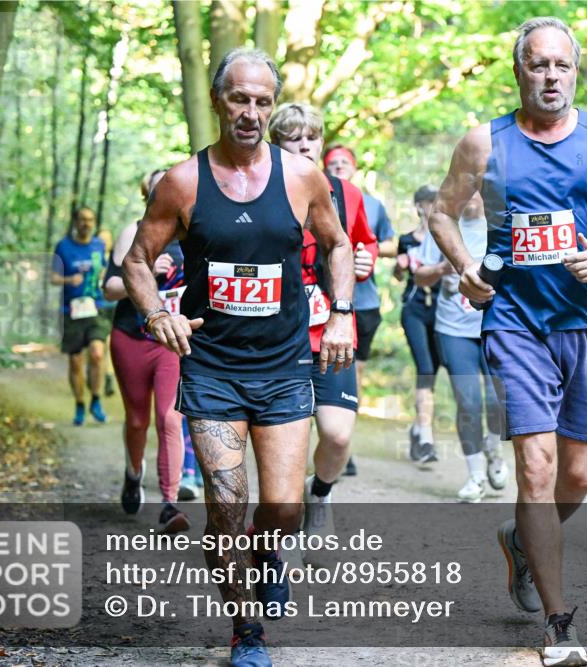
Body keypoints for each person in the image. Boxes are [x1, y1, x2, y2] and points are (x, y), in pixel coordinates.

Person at [428, 17, 587, 666]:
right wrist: (465, 268)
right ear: (518, 71)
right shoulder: (484, 142)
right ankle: (560, 628)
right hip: (516, 322)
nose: (550, 76)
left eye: (561, 65)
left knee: (579, 473)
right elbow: (443, 210)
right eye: (538, 65)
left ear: (575, 71)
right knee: (536, 467)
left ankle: (522, 539)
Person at [122, 49, 354, 667]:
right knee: (226, 508)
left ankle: (266, 551)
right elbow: (137, 261)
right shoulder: (184, 181)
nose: (250, 112)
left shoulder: (303, 178)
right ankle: (247, 631)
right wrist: (157, 315)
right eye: (239, 99)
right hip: (213, 368)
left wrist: (341, 312)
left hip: (282, 367)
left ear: (271, 106)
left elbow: (337, 244)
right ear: (219, 102)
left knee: (282, 510)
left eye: (262, 101)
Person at [267, 103, 378, 561]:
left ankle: (322, 493)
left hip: (333, 329)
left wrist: (368, 261)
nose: (305, 144)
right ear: (277, 144)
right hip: (277, 338)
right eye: (293, 137)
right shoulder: (261, 190)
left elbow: (362, 244)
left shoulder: (347, 193)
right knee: (287, 441)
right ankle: (286, 532)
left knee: (335, 435)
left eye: (312, 136)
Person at [103, 169, 189, 534]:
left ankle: (169, 504)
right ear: (148, 195)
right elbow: (109, 287)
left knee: (170, 419)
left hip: (171, 341)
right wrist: (147, 272)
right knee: (137, 420)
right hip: (131, 336)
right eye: (157, 185)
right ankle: (133, 473)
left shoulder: (193, 233)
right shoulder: (132, 231)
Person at [414, 191, 508, 502]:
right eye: (463, 193)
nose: (470, 199)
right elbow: (420, 278)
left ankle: (494, 447)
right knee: (468, 404)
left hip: (496, 325)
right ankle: (475, 476)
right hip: (454, 328)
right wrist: (443, 268)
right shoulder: (442, 227)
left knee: (499, 401)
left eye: (477, 193)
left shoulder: (501, 227)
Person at [324, 144, 398, 476]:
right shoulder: (315, 192)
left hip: (363, 302)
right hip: (322, 301)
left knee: (356, 371)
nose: (339, 167)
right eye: (333, 162)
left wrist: (367, 252)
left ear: (353, 168)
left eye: (344, 163)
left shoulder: (371, 203)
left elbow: (390, 242)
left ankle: (345, 441)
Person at [395, 185, 442, 464]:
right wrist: (400, 266)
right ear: (419, 206)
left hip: (441, 311)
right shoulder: (407, 240)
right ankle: (426, 437)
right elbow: (399, 275)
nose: (433, 206)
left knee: (433, 371)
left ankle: (417, 428)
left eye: (437, 201)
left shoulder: (447, 238)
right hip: (413, 308)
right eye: (428, 202)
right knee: (424, 368)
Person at [51, 206, 111, 426]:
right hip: (71, 311)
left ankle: (96, 399)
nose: (87, 223)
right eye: (83, 219)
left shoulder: (99, 245)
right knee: (76, 361)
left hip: (96, 308)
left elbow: (104, 270)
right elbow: (53, 277)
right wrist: (69, 280)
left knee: (97, 353)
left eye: (90, 219)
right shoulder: (63, 246)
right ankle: (79, 403)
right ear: (75, 222)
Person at [97, 227, 117, 397]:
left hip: (114, 306)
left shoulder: (116, 258)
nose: (104, 242)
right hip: (96, 306)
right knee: (100, 345)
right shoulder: (93, 258)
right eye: (101, 239)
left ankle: (109, 375)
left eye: (107, 239)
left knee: (109, 344)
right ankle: (101, 372)